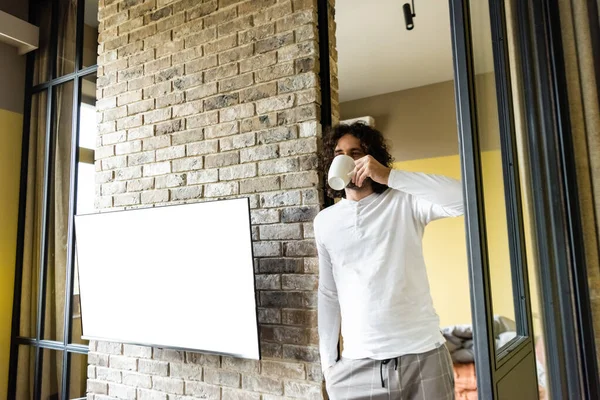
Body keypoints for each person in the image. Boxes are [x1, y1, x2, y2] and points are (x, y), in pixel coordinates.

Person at [314, 122, 464, 399]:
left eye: (356, 152)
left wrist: (390, 176)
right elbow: (328, 293)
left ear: (372, 157)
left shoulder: (405, 201)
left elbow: (464, 198)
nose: (347, 159)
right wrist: (328, 364)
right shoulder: (325, 222)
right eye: (339, 153)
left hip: (423, 356)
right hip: (355, 366)